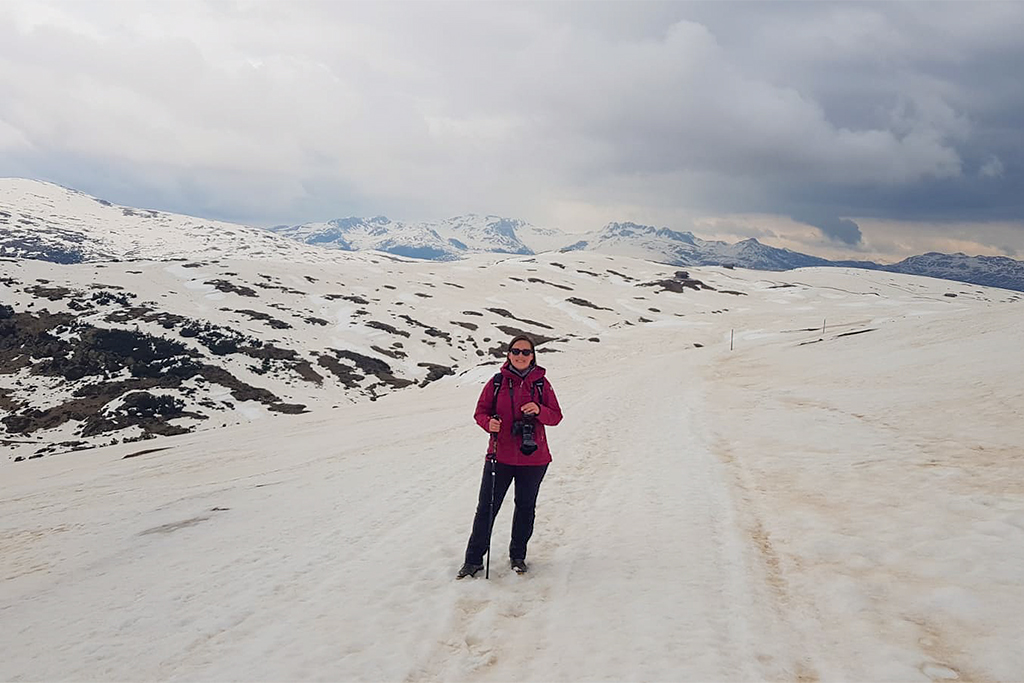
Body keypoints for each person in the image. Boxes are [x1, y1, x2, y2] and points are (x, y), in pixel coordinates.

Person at [457, 335, 563, 578]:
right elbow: (480, 412)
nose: (521, 355)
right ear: (508, 354)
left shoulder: (541, 384)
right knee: (486, 509)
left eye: (526, 352)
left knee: (525, 508)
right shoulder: (496, 382)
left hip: (534, 459)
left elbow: (556, 417)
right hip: (499, 457)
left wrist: (539, 410)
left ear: (533, 355)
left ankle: (518, 556)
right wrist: (489, 423)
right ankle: (473, 561)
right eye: (516, 351)